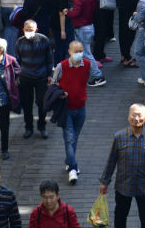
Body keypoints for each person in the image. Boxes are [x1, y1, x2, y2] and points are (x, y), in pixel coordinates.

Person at [99, 104, 145, 228]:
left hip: (144, 186)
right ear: (128, 117)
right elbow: (111, 160)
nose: (137, 118)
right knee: (120, 218)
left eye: (140, 115)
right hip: (123, 186)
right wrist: (104, 182)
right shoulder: (119, 136)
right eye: (134, 115)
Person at [52, 40, 90, 184]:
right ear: (69, 52)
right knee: (69, 139)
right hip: (66, 109)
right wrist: (60, 93)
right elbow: (54, 84)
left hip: (81, 108)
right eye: (76, 51)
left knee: (75, 138)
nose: (79, 53)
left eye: (81, 51)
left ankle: (69, 161)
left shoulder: (87, 65)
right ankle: (73, 168)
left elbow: (85, 81)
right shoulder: (61, 66)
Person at [65, 0, 106, 87]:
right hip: (89, 26)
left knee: (86, 53)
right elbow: (94, 9)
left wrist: (67, 12)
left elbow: (75, 13)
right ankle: (84, 74)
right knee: (84, 52)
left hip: (81, 28)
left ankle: (98, 76)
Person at [16, 20, 53, 139]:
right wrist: (15, 77)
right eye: (26, 29)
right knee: (27, 104)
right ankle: (28, 127)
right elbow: (17, 62)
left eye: (30, 30)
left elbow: (49, 59)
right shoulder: (20, 42)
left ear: (36, 30)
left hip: (41, 77)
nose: (28, 32)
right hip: (25, 77)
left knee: (42, 103)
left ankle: (42, 126)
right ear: (23, 29)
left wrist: (49, 75)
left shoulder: (44, 40)